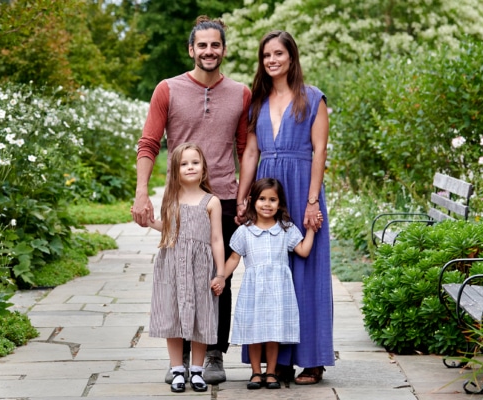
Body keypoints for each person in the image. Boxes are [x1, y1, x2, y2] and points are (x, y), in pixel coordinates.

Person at [131, 15, 251, 385]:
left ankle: (213, 353)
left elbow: (246, 148)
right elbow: (149, 143)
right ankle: (180, 358)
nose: (209, 51)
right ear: (191, 49)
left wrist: (245, 194)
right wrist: (141, 192)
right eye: (203, 45)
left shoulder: (241, 93)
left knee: (219, 276)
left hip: (225, 197)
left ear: (224, 50)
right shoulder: (167, 89)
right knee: (178, 274)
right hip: (178, 200)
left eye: (216, 45)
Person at [235, 30, 334, 385]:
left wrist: (311, 202)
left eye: (278, 53)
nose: (272, 60)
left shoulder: (313, 99)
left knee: (306, 272)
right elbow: (249, 152)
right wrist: (244, 195)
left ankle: (311, 359)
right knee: (269, 274)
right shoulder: (257, 101)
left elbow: (319, 151)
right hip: (267, 191)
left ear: (291, 57)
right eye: (266, 56)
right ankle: (276, 362)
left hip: (301, 187)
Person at [212, 178, 320, 390]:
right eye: (262, 199)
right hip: (254, 290)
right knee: (254, 332)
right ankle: (255, 372)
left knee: (273, 333)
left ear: (280, 204)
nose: (267, 204)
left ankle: (271, 373)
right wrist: (221, 276)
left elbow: (303, 250)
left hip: (279, 291)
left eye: (272, 199)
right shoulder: (245, 231)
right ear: (253, 202)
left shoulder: (286, 229)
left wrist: (311, 229)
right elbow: (234, 258)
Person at [145, 143, 226, 393]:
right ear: (175, 169)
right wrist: (150, 222)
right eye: (183, 163)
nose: (190, 167)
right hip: (173, 265)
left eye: (195, 162)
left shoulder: (211, 201)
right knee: (174, 314)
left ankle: (198, 371)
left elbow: (216, 239)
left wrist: (220, 273)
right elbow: (170, 230)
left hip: (201, 267)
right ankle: (177, 369)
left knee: (202, 315)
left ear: (203, 168)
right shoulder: (171, 199)